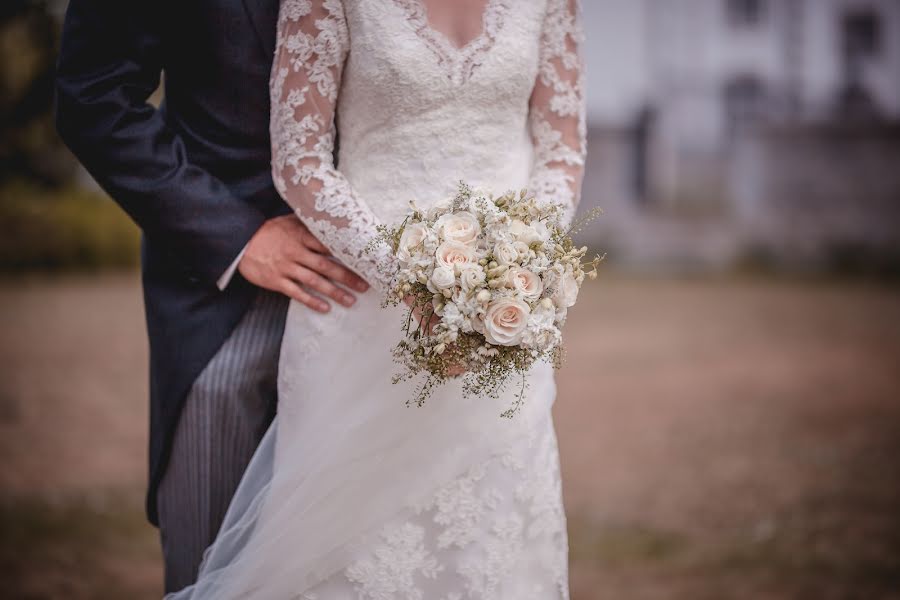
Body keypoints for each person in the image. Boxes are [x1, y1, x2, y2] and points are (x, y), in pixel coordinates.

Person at [169, 0, 587, 597]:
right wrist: (414, 280)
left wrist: (518, 265)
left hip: (502, 324)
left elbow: (561, 152)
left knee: (495, 542)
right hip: (360, 305)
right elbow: (301, 164)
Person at [54, 0, 369, 592]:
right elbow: (93, 94)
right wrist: (235, 235)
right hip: (223, 304)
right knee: (211, 573)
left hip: (390, 317)